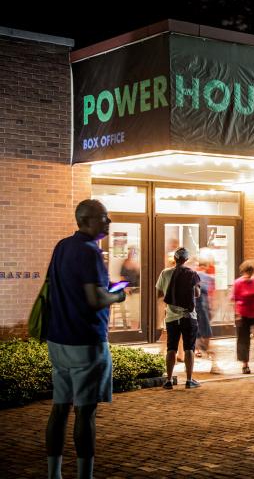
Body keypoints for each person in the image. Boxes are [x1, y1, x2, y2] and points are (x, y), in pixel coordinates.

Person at [45, 199, 126, 479]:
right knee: (85, 412)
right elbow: (94, 299)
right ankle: (84, 475)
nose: (109, 221)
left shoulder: (62, 246)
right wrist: (117, 294)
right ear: (88, 219)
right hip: (86, 341)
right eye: (105, 217)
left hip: (58, 339)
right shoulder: (90, 252)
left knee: (59, 408)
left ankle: (53, 473)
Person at [156, 247, 201, 389]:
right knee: (189, 348)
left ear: (174, 259)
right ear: (186, 260)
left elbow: (160, 294)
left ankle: (168, 380)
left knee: (171, 348)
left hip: (171, 317)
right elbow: (197, 293)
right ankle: (189, 380)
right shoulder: (192, 274)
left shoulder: (165, 273)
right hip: (188, 316)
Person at [232, 261, 254, 374]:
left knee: (251, 340)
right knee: (244, 340)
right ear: (243, 271)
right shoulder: (238, 283)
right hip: (242, 314)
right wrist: (236, 314)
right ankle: (245, 364)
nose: (249, 274)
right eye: (247, 271)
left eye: (250, 271)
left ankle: (247, 360)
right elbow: (234, 298)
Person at [119, 246, 140, 329]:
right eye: (130, 251)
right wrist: (125, 288)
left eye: (133, 252)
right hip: (130, 291)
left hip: (139, 290)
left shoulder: (138, 264)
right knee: (133, 312)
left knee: (137, 312)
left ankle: (135, 329)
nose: (131, 253)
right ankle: (133, 329)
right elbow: (122, 278)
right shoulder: (125, 263)